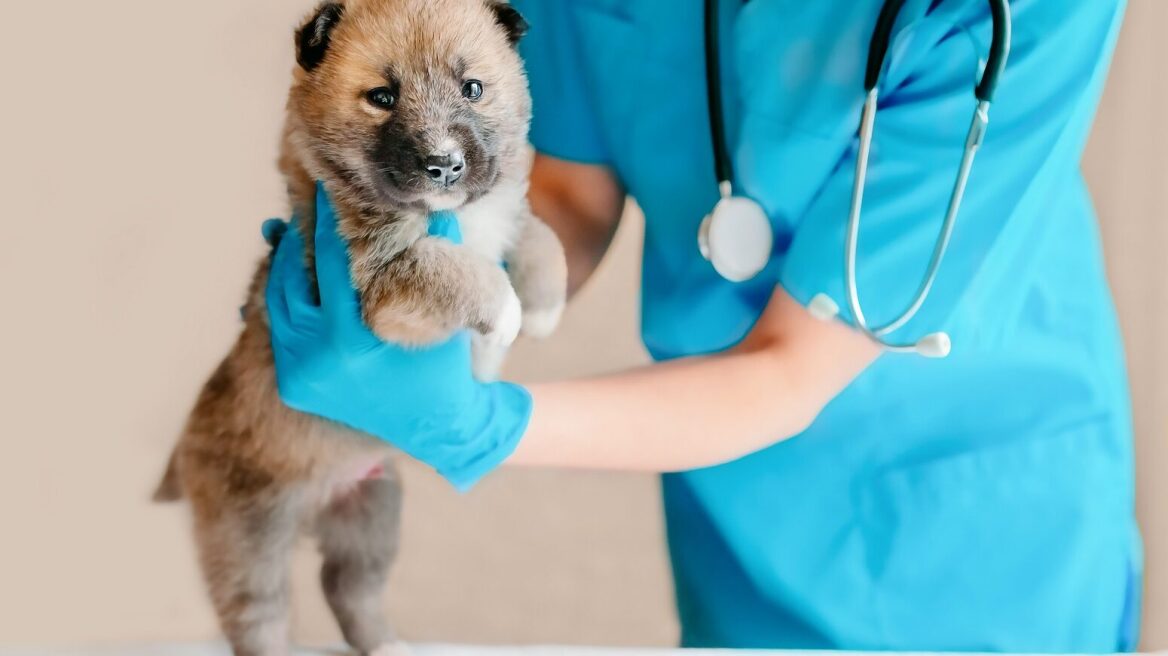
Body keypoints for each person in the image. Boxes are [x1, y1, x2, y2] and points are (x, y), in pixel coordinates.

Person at [264, 0, 1140, 651]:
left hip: (987, 543)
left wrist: (479, 425)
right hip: (735, 520)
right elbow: (574, 189)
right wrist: (456, 293)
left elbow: (789, 368)